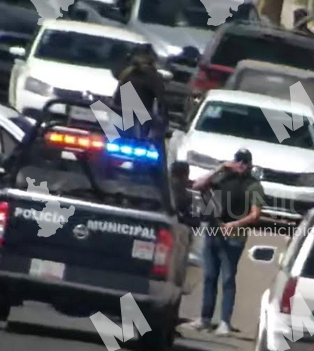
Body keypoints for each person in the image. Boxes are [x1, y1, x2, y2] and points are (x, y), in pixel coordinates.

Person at [186, 148, 264, 336]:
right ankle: (205, 319)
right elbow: (197, 186)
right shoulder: (222, 178)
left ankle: (224, 322)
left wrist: (235, 224)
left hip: (234, 237)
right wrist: (219, 168)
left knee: (228, 279)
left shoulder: (253, 186)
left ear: (250, 165)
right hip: (213, 231)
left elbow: (255, 215)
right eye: (238, 161)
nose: (241, 165)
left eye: (245, 162)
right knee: (209, 276)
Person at [112, 44, 168, 139]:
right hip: (138, 114)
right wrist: (163, 119)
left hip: (124, 112)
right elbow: (161, 99)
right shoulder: (152, 75)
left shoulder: (127, 72)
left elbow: (117, 94)